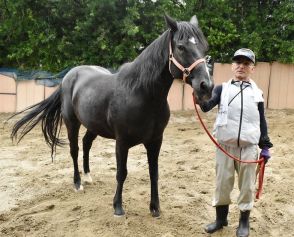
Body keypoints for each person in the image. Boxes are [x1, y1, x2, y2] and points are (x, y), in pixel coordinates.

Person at [198, 48, 273, 237]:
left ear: (252, 69)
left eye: (246, 63)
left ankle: (244, 223)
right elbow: (207, 107)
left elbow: (261, 120)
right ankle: (220, 220)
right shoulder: (222, 89)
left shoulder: (258, 93)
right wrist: (198, 94)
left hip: (248, 148)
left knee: (247, 186)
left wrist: (264, 146)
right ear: (232, 66)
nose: (241, 66)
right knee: (222, 183)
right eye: (238, 62)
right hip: (224, 146)